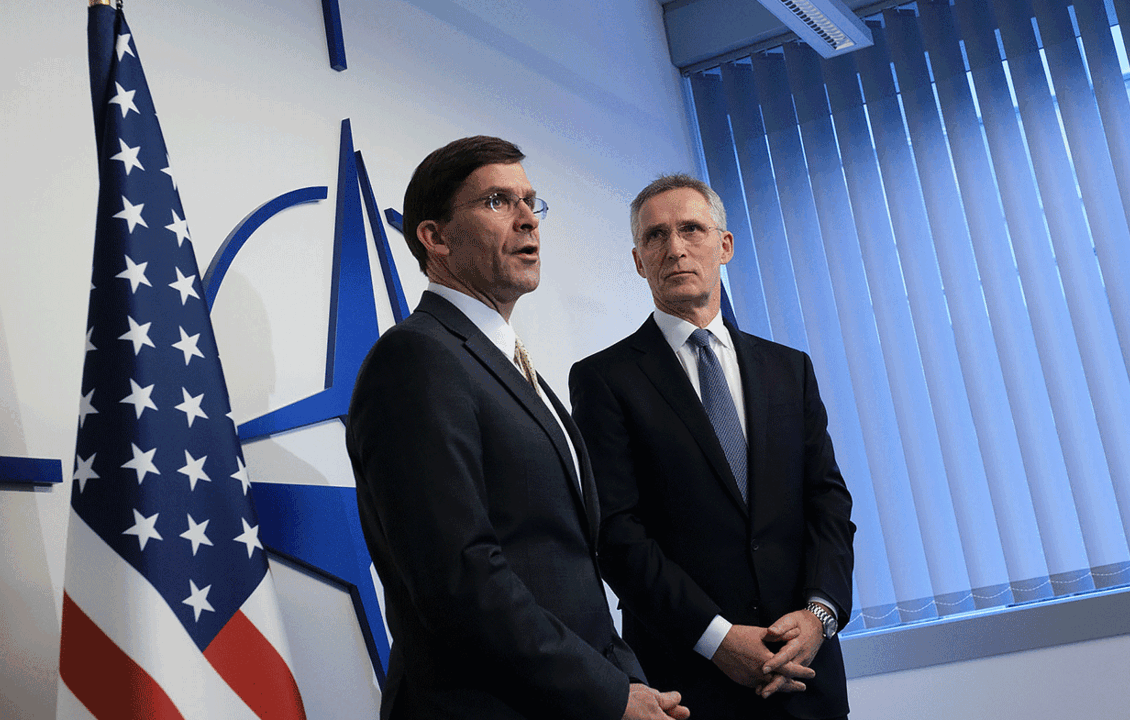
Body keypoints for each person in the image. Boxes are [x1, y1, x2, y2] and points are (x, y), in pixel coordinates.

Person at [346, 137, 689, 720]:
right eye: (498, 202)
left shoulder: (508, 364)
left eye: (531, 202)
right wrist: (608, 694)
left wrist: (628, 679)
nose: (528, 218)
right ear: (434, 238)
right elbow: (460, 579)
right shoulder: (416, 360)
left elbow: (570, 565)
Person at [569, 175, 855, 719]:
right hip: (690, 683)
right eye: (655, 237)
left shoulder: (788, 369)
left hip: (806, 673)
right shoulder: (603, 379)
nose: (674, 248)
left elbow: (829, 504)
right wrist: (718, 638)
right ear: (638, 261)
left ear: (724, 245)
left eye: (691, 229)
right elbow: (617, 534)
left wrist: (820, 615)